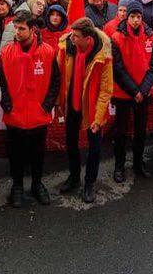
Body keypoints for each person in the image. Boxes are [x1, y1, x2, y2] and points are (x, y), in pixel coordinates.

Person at [0, 11, 59, 207]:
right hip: (15, 115)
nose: (17, 32)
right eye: (16, 28)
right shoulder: (6, 52)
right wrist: (7, 105)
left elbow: (55, 81)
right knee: (15, 154)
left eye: (21, 28)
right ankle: (17, 186)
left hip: (39, 115)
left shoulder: (48, 51)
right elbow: (0, 82)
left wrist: (46, 106)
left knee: (38, 153)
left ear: (33, 30)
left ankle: (37, 184)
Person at [56, 18, 114, 204]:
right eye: (72, 34)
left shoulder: (103, 55)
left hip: (92, 106)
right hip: (72, 104)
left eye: (76, 36)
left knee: (94, 148)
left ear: (88, 38)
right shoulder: (67, 46)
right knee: (71, 143)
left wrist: (97, 119)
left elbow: (106, 90)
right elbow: (59, 74)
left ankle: (89, 183)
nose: (72, 38)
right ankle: (74, 178)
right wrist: (59, 102)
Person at [110, 0, 153, 182]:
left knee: (140, 131)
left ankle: (138, 163)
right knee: (120, 132)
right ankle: (119, 166)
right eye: (133, 16)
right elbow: (118, 68)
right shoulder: (116, 37)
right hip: (124, 93)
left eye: (139, 16)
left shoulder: (150, 35)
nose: (136, 19)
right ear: (127, 17)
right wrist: (134, 91)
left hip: (143, 92)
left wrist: (143, 89)